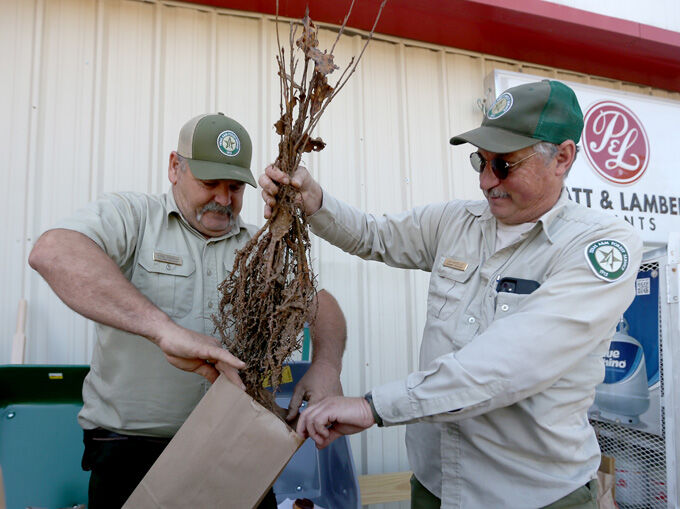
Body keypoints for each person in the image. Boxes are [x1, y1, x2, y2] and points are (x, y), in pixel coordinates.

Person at [260, 80, 643, 508]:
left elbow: (507, 363)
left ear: (563, 157)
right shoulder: (456, 223)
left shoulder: (599, 248)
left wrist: (375, 407)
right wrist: (315, 200)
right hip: (435, 487)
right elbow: (373, 235)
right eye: (480, 160)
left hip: (531, 497)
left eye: (503, 165)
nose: (484, 181)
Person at [28, 113, 346, 509]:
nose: (223, 199)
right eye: (209, 183)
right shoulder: (135, 217)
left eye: (234, 186)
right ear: (175, 167)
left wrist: (327, 365)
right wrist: (162, 328)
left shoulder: (261, 247)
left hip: (239, 445)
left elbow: (321, 304)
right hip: (133, 451)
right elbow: (54, 252)